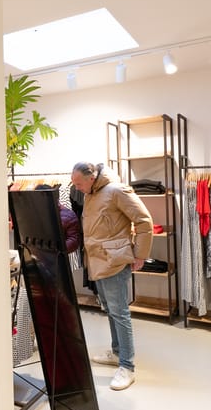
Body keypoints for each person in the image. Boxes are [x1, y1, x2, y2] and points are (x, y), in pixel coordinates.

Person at [71, 161, 153, 391]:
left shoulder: (117, 190)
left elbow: (144, 221)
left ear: (91, 177)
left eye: (78, 183)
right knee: (110, 310)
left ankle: (127, 366)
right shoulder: (91, 193)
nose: (76, 188)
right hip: (98, 260)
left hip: (114, 261)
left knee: (120, 313)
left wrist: (140, 255)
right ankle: (117, 353)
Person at [35, 183, 81, 253]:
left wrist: (55, 249)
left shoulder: (68, 215)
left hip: (63, 255)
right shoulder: (36, 214)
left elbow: (74, 240)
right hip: (40, 255)